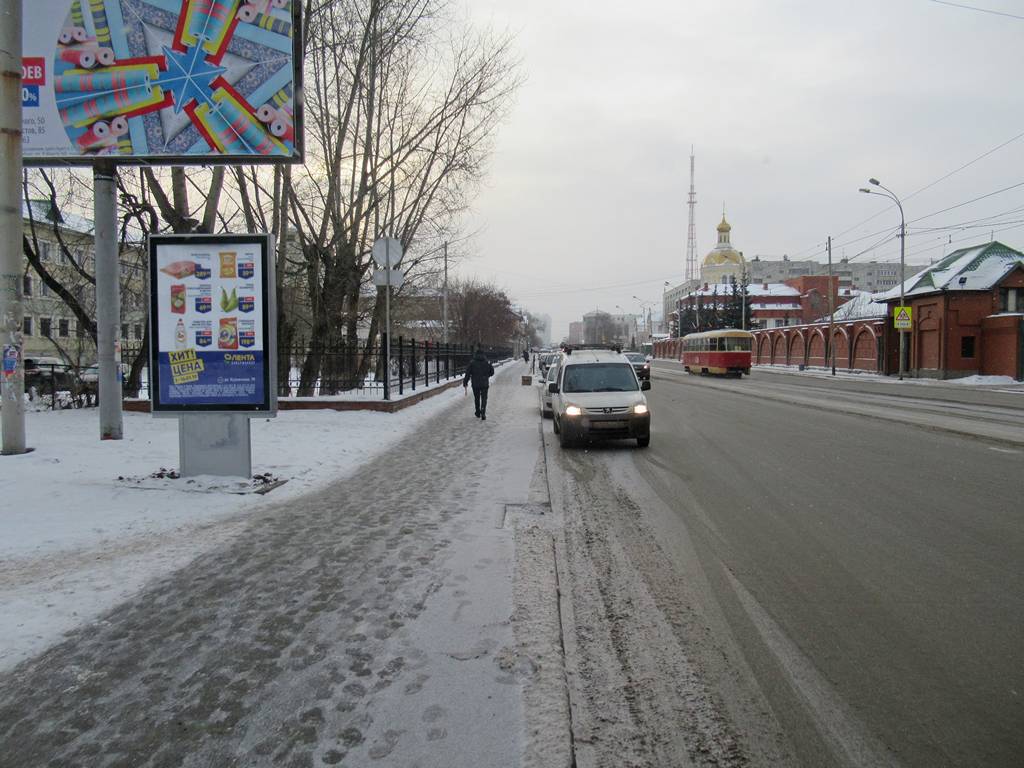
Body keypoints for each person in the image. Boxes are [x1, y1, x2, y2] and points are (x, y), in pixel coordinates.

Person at [463, 347, 495, 420]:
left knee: (477, 398)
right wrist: (487, 376)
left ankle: (478, 412)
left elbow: (467, 373)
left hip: (475, 384)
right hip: (484, 383)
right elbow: (492, 372)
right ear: (483, 354)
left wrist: (465, 382)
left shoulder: (472, 362)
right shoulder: (487, 362)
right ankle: (483, 412)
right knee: (484, 398)